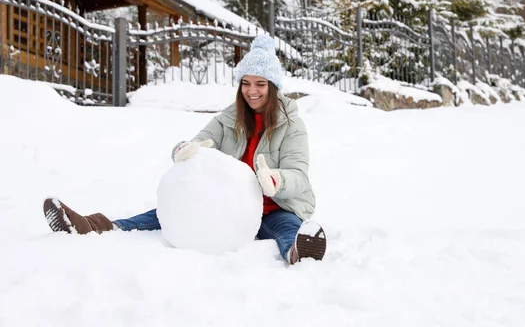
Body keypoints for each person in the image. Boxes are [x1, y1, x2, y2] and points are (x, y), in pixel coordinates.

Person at [43, 35, 326, 265]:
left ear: (273, 86)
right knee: (162, 213)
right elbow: (197, 142)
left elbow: (299, 176)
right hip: (230, 208)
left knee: (288, 227)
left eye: (260, 84)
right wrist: (184, 150)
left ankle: (298, 253)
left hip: (276, 208)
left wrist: (276, 180)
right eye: (246, 83)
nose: (252, 91)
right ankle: (92, 226)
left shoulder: (292, 125)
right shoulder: (228, 119)